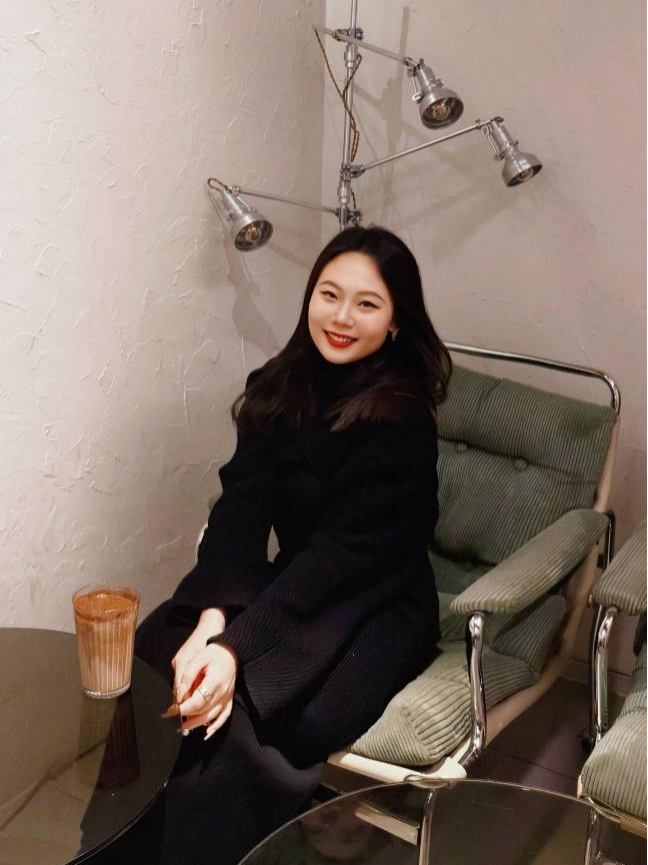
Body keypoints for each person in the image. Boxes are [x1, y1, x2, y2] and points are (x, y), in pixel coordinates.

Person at [123, 226, 451, 865]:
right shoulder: (279, 385)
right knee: (162, 647)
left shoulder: (403, 420)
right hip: (296, 583)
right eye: (330, 294)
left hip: (376, 601)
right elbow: (240, 513)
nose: (342, 317)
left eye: (367, 303)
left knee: (278, 710)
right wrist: (214, 621)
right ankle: (129, 840)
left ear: (394, 321)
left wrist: (235, 650)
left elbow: (339, 561)